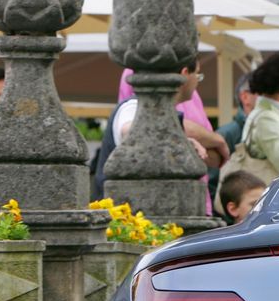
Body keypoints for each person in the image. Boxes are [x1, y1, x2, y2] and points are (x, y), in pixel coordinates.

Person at [92, 60, 228, 202]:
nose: (198, 82)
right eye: (197, 75)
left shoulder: (171, 114)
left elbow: (215, 158)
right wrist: (211, 140)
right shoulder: (132, 107)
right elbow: (132, 132)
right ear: (185, 74)